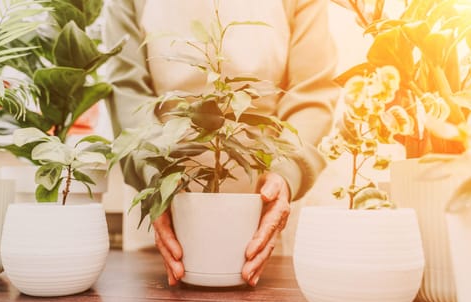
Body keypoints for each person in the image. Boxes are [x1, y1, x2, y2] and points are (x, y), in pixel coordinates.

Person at [103, 0, 339, 287]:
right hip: (162, 204)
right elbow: (126, 91)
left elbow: (311, 91)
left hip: (262, 214)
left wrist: (286, 172)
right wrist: (154, 179)